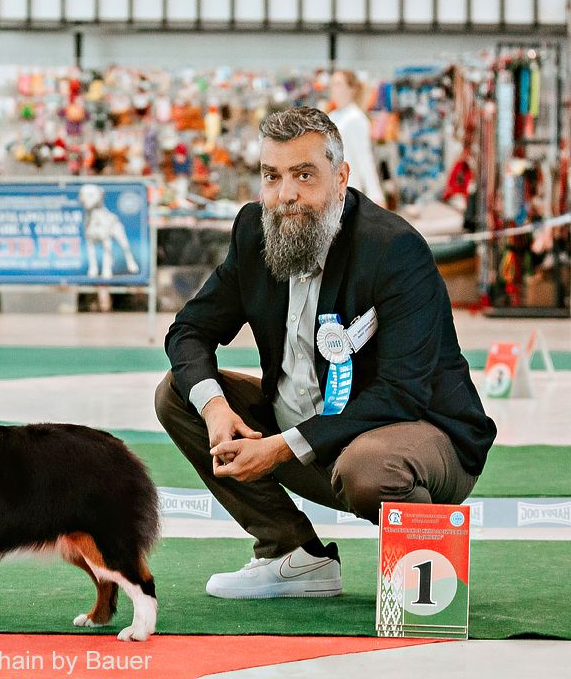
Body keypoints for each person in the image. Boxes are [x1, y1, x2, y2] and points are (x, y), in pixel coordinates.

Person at [155, 106, 495, 599]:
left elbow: (403, 392)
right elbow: (188, 331)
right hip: (311, 438)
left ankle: (426, 573)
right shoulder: (254, 230)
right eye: (272, 176)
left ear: (341, 178)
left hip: (420, 438)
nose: (285, 195)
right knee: (177, 394)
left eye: (304, 175)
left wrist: (281, 447)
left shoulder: (394, 248)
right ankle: (294, 556)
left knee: (370, 468)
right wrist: (214, 409)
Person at [327, 70, 385, 206]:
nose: (333, 89)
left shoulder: (356, 118)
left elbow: (364, 158)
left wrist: (376, 196)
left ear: (352, 89)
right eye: (332, 84)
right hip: (331, 190)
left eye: (338, 84)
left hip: (349, 190)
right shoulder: (333, 116)